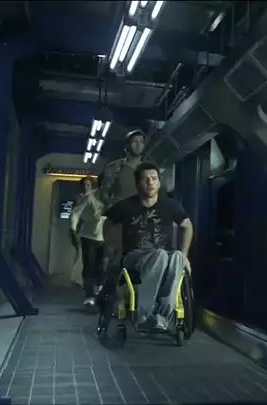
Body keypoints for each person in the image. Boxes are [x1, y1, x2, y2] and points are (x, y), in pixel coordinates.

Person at [102, 162, 193, 331]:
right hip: (134, 257)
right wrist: (112, 249)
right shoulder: (126, 206)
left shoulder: (169, 205)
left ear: (159, 183)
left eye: (154, 178)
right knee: (161, 254)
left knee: (176, 257)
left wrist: (185, 254)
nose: (150, 183)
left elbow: (187, 225)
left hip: (163, 257)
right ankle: (143, 314)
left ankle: (161, 316)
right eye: (145, 179)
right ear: (138, 184)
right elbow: (107, 224)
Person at [70, 176, 106, 306]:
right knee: (89, 265)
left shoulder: (112, 198)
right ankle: (90, 294)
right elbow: (75, 214)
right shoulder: (89, 197)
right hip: (89, 237)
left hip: (105, 237)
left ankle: (100, 286)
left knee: (102, 265)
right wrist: (73, 230)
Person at [98, 129, 152, 209]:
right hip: (120, 212)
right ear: (127, 145)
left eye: (141, 141)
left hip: (142, 212)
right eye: (134, 141)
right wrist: (112, 206)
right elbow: (104, 192)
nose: (138, 145)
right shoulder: (115, 167)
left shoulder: (149, 168)